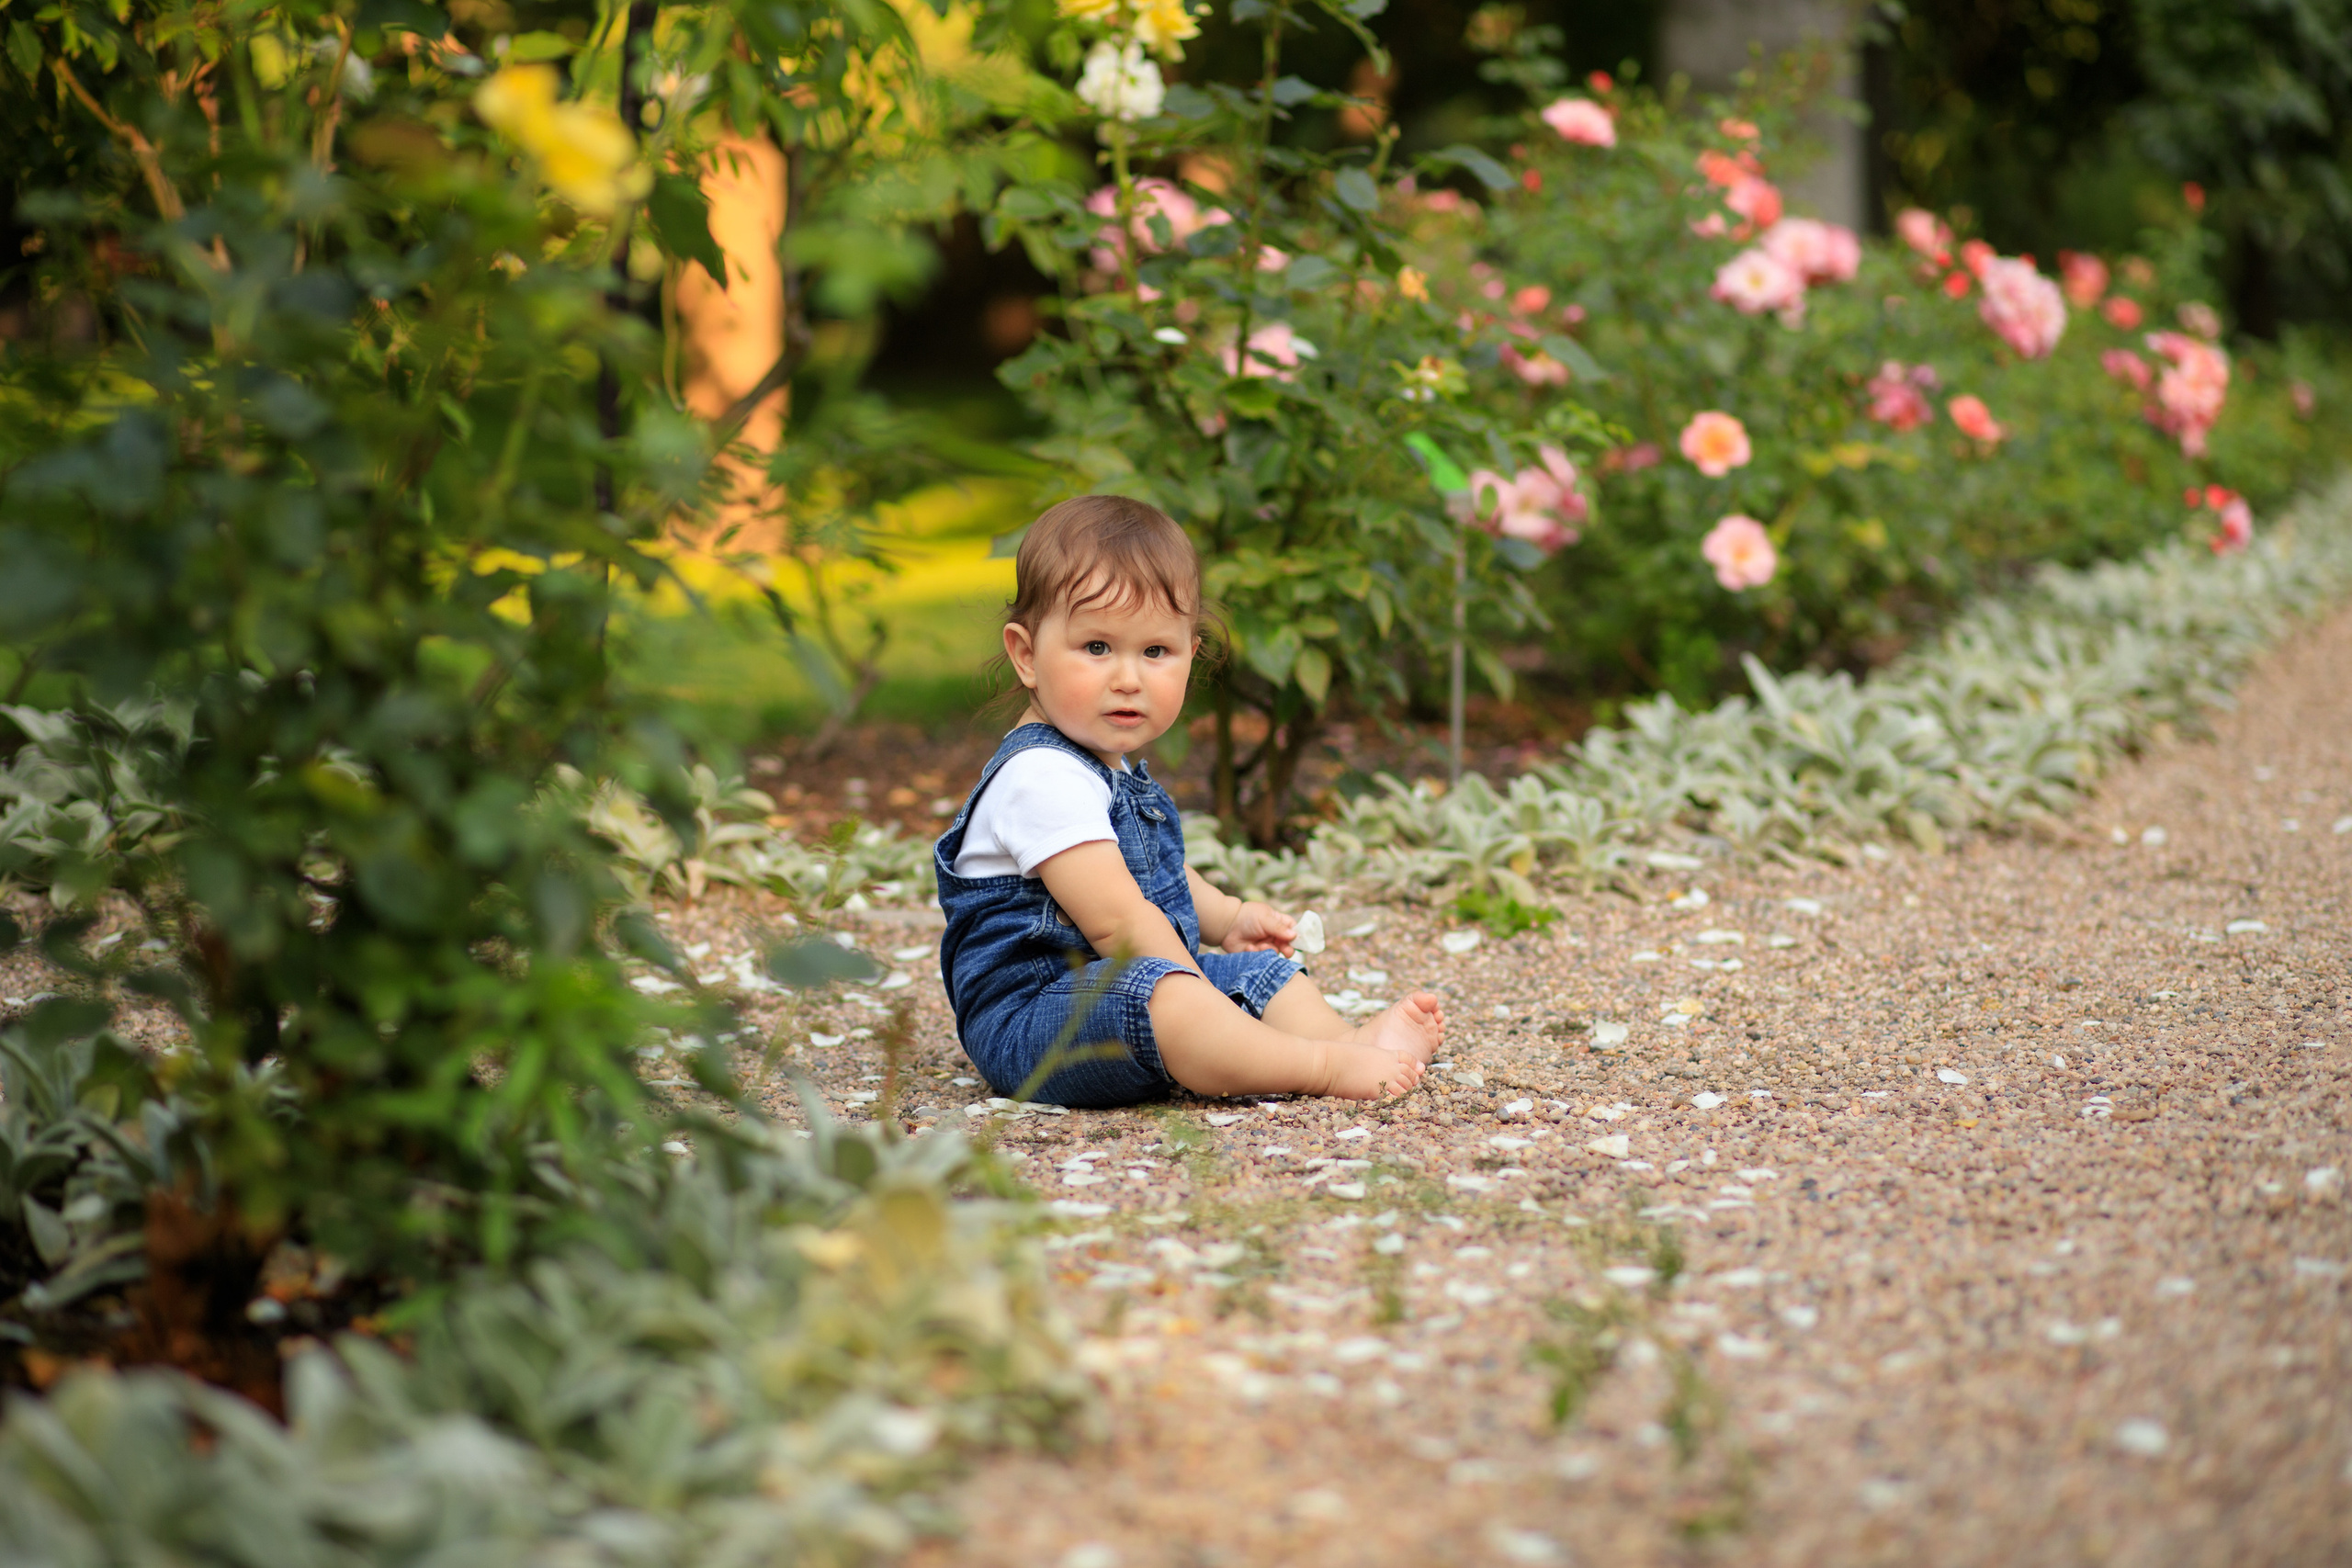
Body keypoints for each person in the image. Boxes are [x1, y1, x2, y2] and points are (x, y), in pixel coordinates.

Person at [934, 495, 1445, 1108]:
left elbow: (1151, 873)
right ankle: (1324, 1065)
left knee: (1260, 974)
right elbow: (1120, 921)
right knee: (1171, 996)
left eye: (1155, 652)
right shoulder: (1040, 776)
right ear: (1026, 655)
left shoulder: (1101, 763)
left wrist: (1227, 919)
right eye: (1097, 647)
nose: (1129, 677)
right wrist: (1196, 992)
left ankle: (1352, 1040)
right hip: (1035, 1026)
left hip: (1118, 985)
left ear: (1190, 655)